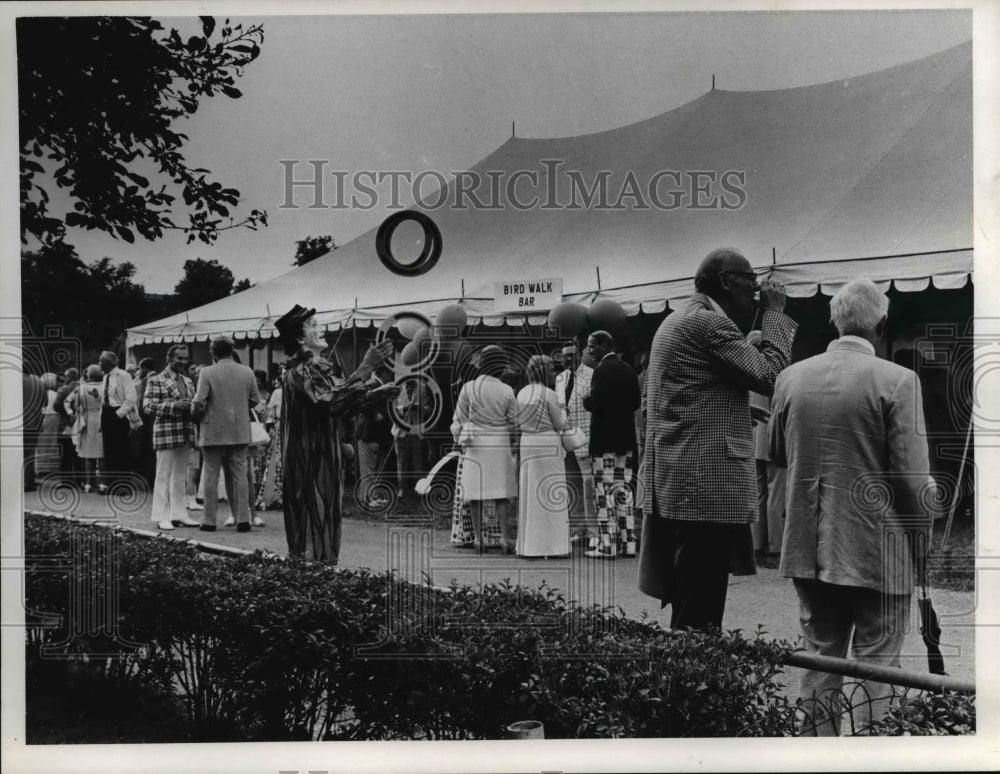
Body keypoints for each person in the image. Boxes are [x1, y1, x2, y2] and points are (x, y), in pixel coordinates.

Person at [769, 278, 932, 735]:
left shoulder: (790, 377)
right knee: (878, 669)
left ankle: (816, 754)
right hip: (879, 550)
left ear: (833, 321)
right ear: (882, 323)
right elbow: (911, 480)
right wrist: (923, 542)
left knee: (820, 660)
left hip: (809, 544)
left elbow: (778, 454)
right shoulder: (898, 381)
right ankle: (871, 753)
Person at [638, 247, 796, 629]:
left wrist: (733, 410)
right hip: (704, 488)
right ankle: (695, 669)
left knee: (691, 599)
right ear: (726, 281)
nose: (756, 289)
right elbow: (772, 376)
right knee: (701, 611)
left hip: (681, 480)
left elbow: (679, 396)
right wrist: (775, 314)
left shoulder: (680, 319)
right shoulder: (710, 324)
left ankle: (688, 666)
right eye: (750, 280)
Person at [277, 304, 397, 563]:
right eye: (313, 325)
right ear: (300, 339)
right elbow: (332, 403)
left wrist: (374, 395)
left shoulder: (317, 370)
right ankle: (312, 576)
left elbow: (341, 402)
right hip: (309, 466)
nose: (321, 329)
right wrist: (366, 366)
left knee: (325, 527)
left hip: (324, 462)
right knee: (312, 532)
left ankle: (321, 572)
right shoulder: (301, 371)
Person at [451, 344, 518, 553]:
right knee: (500, 492)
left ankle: (479, 539)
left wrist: (458, 437)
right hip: (499, 442)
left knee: (475, 492)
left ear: (482, 364)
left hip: (476, 443)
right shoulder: (507, 390)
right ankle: (505, 539)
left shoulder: (468, 387)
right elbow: (514, 421)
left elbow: (459, 419)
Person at [581, 330, 641, 559]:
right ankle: (628, 543)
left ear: (604, 345)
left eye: (592, 346)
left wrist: (587, 400)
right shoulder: (629, 370)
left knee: (604, 493)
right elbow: (635, 402)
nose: (590, 351)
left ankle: (608, 545)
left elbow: (595, 402)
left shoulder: (601, 371)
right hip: (625, 440)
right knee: (623, 491)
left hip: (604, 442)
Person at [192, 336, 260, 533]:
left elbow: (199, 400)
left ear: (213, 353)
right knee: (240, 475)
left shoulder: (207, 372)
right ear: (232, 350)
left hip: (213, 430)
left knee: (211, 475)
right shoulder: (247, 371)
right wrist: (239, 407)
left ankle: (209, 520)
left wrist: (196, 415)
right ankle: (244, 519)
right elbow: (255, 399)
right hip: (239, 429)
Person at [515, 355, 570, 558]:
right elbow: (560, 423)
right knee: (552, 493)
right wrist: (565, 411)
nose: (554, 373)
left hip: (527, 442)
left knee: (530, 492)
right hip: (547, 443)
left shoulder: (522, 393)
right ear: (543, 371)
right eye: (551, 369)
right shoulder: (549, 394)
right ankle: (555, 546)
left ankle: (530, 546)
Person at [143, 345, 201, 531]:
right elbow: (147, 406)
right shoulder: (156, 379)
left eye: (185, 359)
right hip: (166, 432)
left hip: (185, 431)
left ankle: (179, 514)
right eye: (179, 358)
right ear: (169, 358)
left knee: (180, 476)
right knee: (163, 475)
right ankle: (161, 516)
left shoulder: (188, 381)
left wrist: (194, 407)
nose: (183, 362)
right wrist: (174, 406)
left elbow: (192, 404)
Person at [554, 339, 596, 544]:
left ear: (580, 355)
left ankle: (593, 531)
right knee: (571, 484)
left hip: (585, 437)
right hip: (566, 439)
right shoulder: (560, 378)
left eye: (572, 355)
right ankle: (578, 529)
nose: (569, 359)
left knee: (588, 485)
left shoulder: (591, 375)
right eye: (565, 356)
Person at [98, 350, 143, 485]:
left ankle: (123, 484)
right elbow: (107, 397)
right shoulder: (105, 377)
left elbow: (131, 398)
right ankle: (111, 483)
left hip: (118, 414)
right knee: (108, 450)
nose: (99, 364)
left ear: (109, 363)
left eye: (101, 361)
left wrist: (118, 414)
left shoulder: (123, 375)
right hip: (106, 414)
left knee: (121, 449)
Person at [355, 366, 394, 509]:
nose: (391, 377)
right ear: (384, 373)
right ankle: (367, 499)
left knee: (372, 468)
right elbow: (362, 401)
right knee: (368, 469)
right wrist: (374, 415)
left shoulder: (378, 385)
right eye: (390, 374)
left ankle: (372, 496)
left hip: (374, 434)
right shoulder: (372, 384)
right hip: (367, 434)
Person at [67, 365, 106, 492]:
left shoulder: (81, 387)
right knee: (102, 453)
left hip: (86, 420)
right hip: (102, 420)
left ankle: (89, 483)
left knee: (88, 454)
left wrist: (71, 413)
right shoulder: (105, 386)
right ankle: (102, 483)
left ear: (88, 375)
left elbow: (68, 402)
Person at [256, 367, 286, 510]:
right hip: (288, 428)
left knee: (276, 461)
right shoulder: (282, 392)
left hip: (280, 428)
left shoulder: (277, 393)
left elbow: (271, 415)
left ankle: (273, 495)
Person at [133, 357, 158, 488]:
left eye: (140, 368)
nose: (139, 370)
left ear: (144, 368)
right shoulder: (160, 378)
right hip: (157, 419)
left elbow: (142, 402)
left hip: (147, 422)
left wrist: (138, 421)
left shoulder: (145, 381)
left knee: (148, 451)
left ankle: (150, 480)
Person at [52, 367, 81, 476]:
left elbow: (56, 406)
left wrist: (65, 412)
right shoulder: (82, 388)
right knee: (78, 454)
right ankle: (79, 479)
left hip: (64, 425)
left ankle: (66, 479)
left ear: (70, 377)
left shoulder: (63, 390)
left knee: (65, 455)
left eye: (66, 376)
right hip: (79, 425)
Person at [34, 373, 62, 478]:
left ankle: (40, 468)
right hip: (55, 418)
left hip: (42, 417)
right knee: (53, 443)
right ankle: (53, 468)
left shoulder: (39, 394)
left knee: (41, 444)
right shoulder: (56, 394)